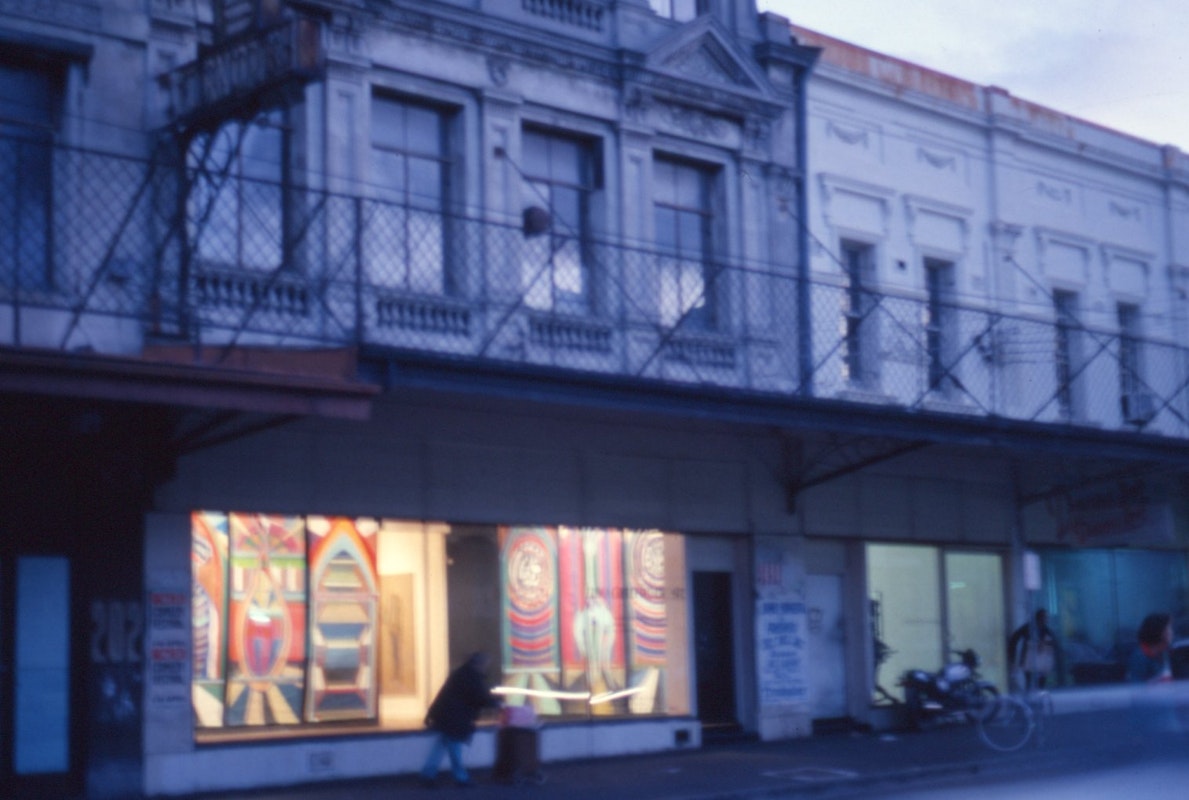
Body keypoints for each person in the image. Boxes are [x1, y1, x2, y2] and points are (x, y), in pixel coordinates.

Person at [420, 652, 501, 788]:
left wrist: (431, 714)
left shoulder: (460, 674)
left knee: (441, 746)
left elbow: (443, 694)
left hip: (447, 716)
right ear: (478, 664)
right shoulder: (472, 678)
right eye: (485, 664)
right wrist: (496, 703)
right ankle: (460, 778)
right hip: (456, 718)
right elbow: (479, 697)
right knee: (454, 748)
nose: (486, 667)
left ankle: (428, 775)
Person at [1007, 609, 1061, 690]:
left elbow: (1054, 643)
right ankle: (1030, 694)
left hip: (1042, 660)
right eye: (1045, 617)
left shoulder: (1046, 630)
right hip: (1029, 660)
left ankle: (1038, 693)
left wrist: (1045, 644)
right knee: (1029, 680)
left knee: (1041, 682)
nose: (1047, 619)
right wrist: (1012, 655)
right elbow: (1015, 638)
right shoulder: (1028, 628)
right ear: (1040, 618)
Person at [1127, 612, 1173, 683]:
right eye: (1168, 629)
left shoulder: (1166, 652)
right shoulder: (1139, 657)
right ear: (1159, 632)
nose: (1171, 632)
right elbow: (1136, 686)